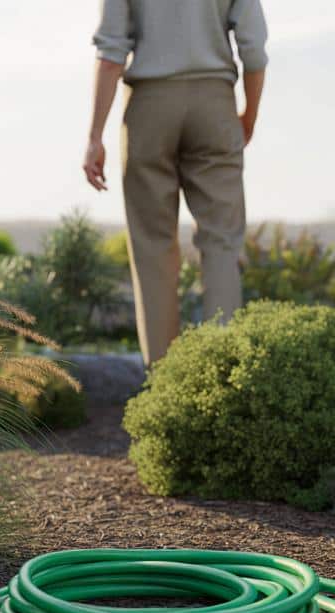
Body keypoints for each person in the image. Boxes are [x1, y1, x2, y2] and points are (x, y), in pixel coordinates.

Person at [85, 0, 268, 367]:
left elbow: (110, 54)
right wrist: (249, 112)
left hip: (149, 106)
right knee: (221, 243)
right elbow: (254, 49)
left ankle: (163, 385)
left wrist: (95, 136)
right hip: (215, 103)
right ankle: (222, 379)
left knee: (152, 248)